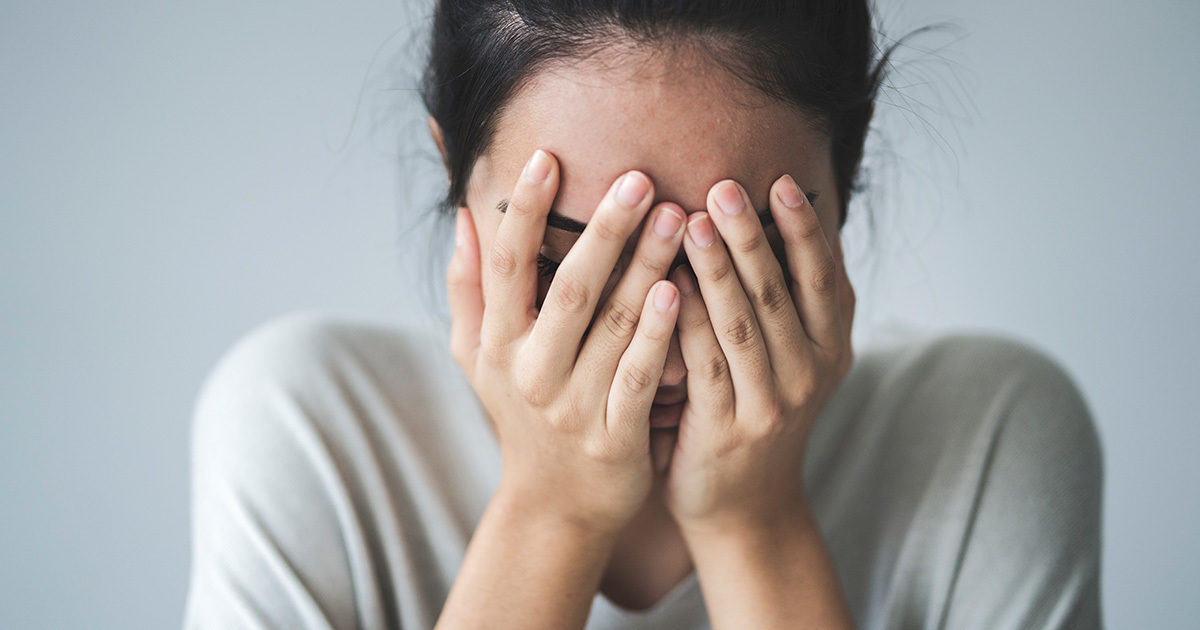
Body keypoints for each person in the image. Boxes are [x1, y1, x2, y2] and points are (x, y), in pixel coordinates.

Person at [182, 1, 1105, 628]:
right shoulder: (309, 431)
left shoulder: (989, 436)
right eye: (571, 262)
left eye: (742, 262)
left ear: (845, 182)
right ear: (453, 175)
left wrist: (758, 525)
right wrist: (550, 512)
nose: (660, 359)